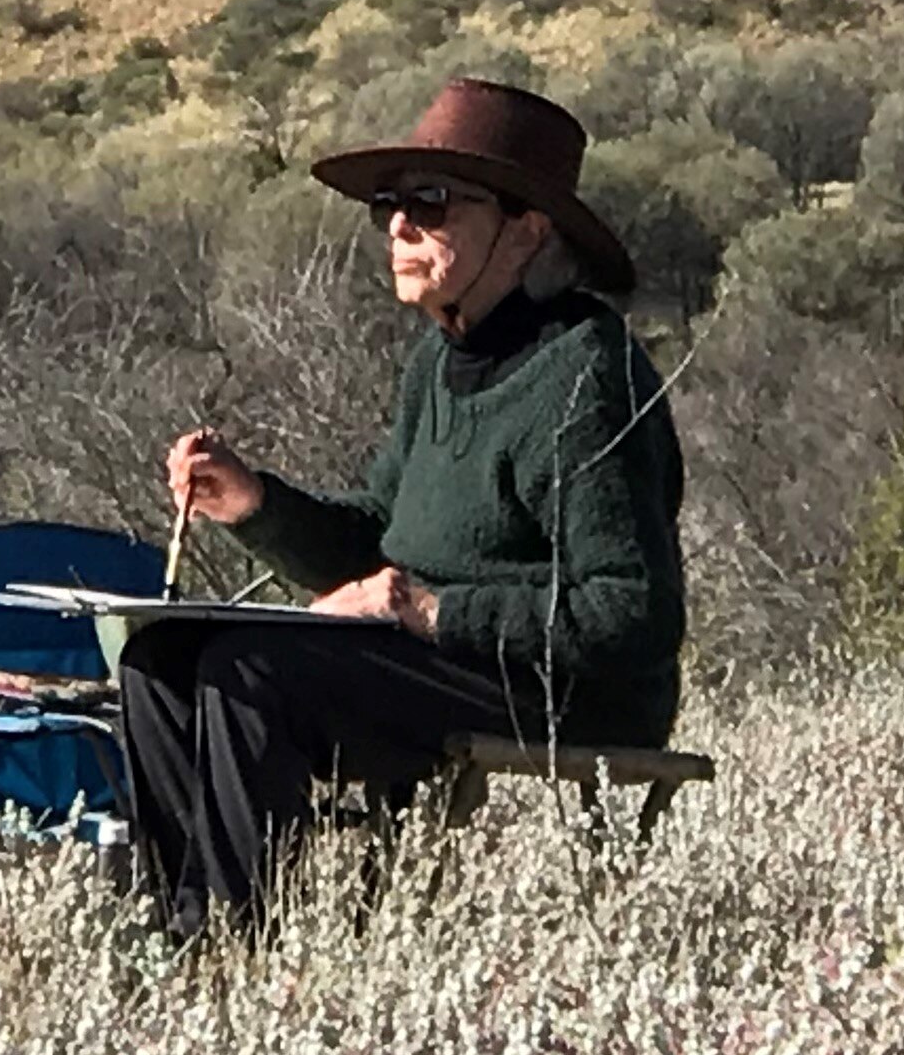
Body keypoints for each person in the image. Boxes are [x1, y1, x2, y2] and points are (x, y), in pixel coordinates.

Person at [128, 77, 688, 929]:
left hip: (555, 691)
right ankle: (185, 939)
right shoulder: (438, 362)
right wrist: (252, 504)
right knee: (159, 659)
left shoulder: (587, 374)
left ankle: (234, 945)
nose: (398, 225)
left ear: (526, 228)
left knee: (247, 673)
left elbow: (632, 614)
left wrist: (433, 611)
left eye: (432, 202)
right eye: (390, 203)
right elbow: (378, 545)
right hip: (440, 667)